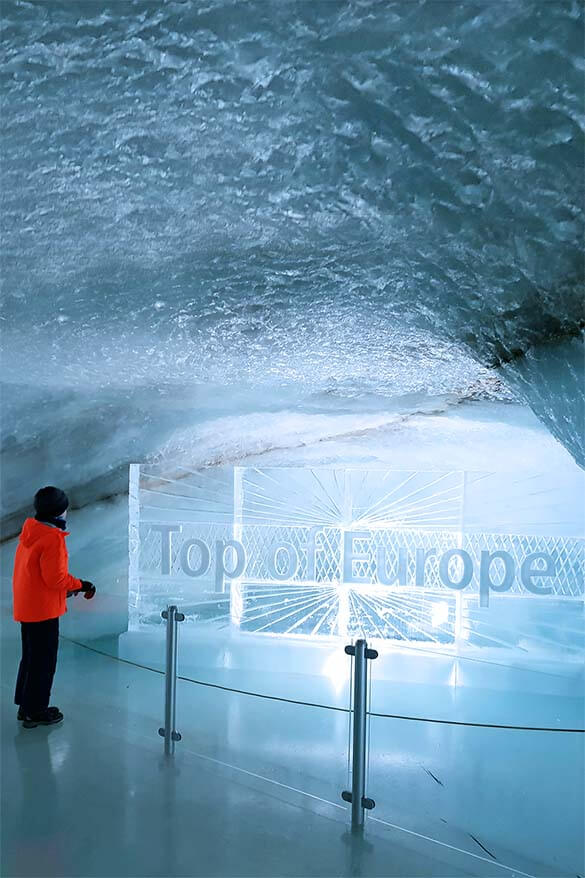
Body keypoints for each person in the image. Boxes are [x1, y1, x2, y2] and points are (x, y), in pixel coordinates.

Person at [12, 486, 96, 729]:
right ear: (60, 511)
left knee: (30, 658)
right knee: (43, 662)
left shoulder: (31, 531)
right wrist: (82, 584)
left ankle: (25, 706)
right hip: (43, 611)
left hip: (28, 606)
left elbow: (36, 575)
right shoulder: (52, 539)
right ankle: (36, 711)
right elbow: (56, 579)